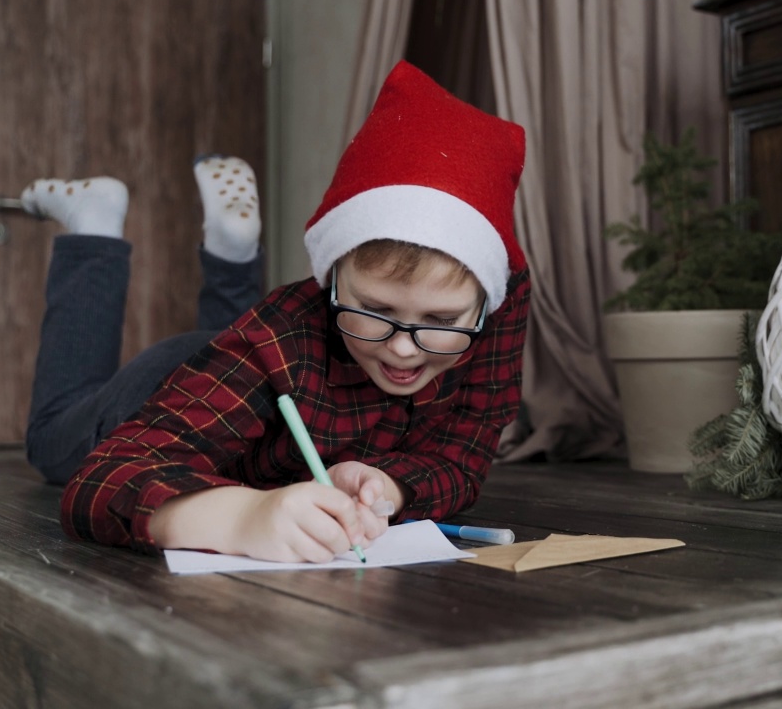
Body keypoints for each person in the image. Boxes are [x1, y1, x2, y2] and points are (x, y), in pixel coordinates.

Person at [28, 61, 530, 565]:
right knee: (51, 441)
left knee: (257, 356)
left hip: (250, 384)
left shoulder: (498, 296)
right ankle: (91, 232)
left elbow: (461, 462)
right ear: (330, 277)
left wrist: (389, 486)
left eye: (441, 322)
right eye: (375, 310)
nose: (403, 347)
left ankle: (232, 250)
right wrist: (241, 518)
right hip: (184, 387)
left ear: (488, 299)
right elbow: (99, 480)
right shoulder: (277, 338)